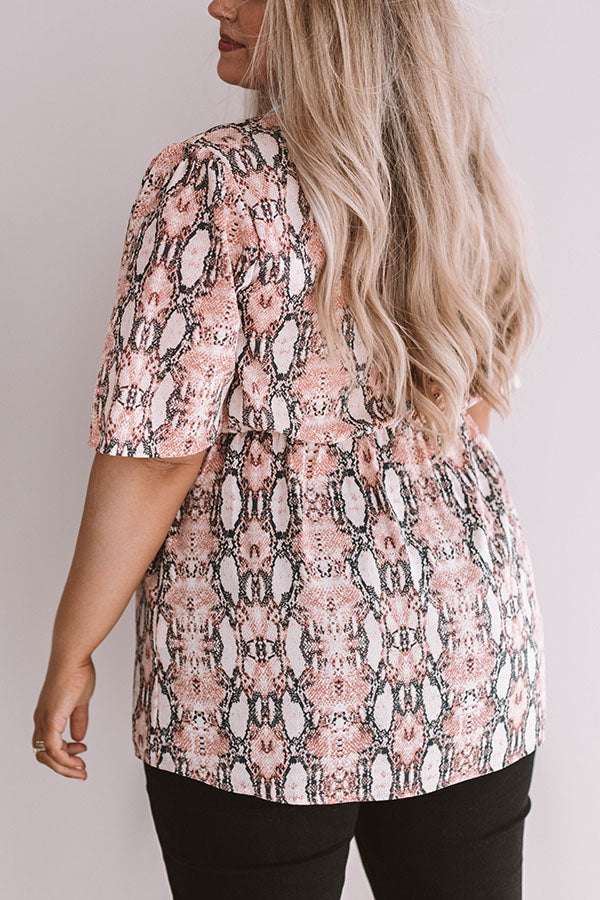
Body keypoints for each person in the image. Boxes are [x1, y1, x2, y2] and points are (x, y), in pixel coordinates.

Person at [32, 1, 547, 897]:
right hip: (468, 653)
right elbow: (468, 413)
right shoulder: (457, 169)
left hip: (263, 670)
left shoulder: (210, 181)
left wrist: (72, 646)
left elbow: (157, 453)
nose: (218, 5)